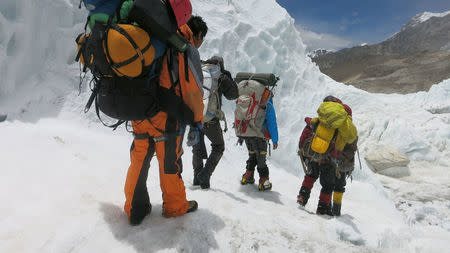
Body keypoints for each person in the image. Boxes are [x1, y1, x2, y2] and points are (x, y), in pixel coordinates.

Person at [124, 2, 205, 225]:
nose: (200, 43)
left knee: (139, 160)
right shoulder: (184, 46)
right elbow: (193, 90)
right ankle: (175, 207)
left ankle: (134, 207)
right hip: (167, 119)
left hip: (140, 110)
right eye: (201, 39)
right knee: (170, 164)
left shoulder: (152, 33)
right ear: (196, 34)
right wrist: (197, 121)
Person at [296, 96, 357, 216]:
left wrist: (303, 152)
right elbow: (348, 146)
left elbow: (308, 129)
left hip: (315, 155)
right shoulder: (343, 127)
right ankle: (323, 209)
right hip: (330, 161)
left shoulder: (321, 120)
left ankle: (302, 196)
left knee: (310, 176)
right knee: (328, 186)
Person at [193, 56, 239, 189]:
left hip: (195, 117)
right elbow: (233, 94)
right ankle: (205, 175)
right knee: (218, 146)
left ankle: (197, 177)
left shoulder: (199, 70)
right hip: (210, 119)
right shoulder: (220, 76)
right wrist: (227, 76)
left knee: (197, 145)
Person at [239, 91, 279, 191]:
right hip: (260, 137)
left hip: (248, 135)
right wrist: (275, 140)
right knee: (261, 159)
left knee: (252, 155)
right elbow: (272, 123)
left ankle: (248, 176)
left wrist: (241, 134)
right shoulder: (267, 105)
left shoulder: (250, 102)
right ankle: (264, 181)